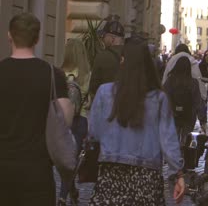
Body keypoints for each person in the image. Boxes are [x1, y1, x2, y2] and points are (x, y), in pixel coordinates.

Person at [88, 41, 185, 205]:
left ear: (123, 62)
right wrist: (178, 174)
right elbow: (168, 141)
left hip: (111, 172)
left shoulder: (104, 92)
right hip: (147, 175)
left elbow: (94, 133)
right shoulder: (158, 98)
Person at [0, 13, 74, 205]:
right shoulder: (52, 74)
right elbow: (65, 119)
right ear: (38, 38)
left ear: (10, 36)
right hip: (37, 170)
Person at [58, 38, 91, 205]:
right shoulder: (87, 74)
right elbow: (88, 102)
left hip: (62, 121)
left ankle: (64, 195)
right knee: (72, 160)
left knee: (63, 161)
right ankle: (71, 192)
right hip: (81, 120)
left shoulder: (59, 73)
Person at [163, 44, 207, 123]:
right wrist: (202, 119)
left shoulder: (170, 78)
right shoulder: (193, 80)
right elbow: (198, 97)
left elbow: (165, 91)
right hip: (189, 114)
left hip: (173, 113)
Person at [164, 57, 205, 143]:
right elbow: (198, 101)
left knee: (173, 139)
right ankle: (184, 152)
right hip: (189, 115)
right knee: (186, 140)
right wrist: (202, 119)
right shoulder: (193, 82)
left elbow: (165, 98)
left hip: (173, 115)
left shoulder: (170, 81)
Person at [89, 14, 125, 97]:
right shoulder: (132, 55)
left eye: (104, 36)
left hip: (106, 103)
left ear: (112, 39)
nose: (102, 38)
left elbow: (93, 87)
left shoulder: (102, 57)